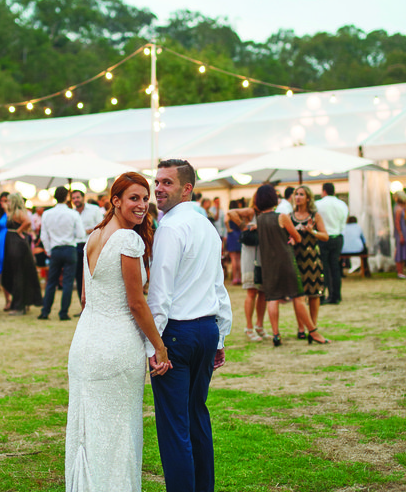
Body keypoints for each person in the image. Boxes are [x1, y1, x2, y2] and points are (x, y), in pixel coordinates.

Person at [66, 172, 171, 491]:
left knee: (89, 430)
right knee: (118, 432)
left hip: (86, 342)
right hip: (116, 347)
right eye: (133, 198)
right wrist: (160, 347)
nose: (142, 205)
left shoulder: (94, 236)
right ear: (115, 201)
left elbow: (86, 298)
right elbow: (137, 302)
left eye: (144, 198)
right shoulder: (127, 239)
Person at [147, 159, 232, 492]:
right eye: (157, 182)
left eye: (167, 183)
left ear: (187, 188)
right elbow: (218, 286)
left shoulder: (170, 227)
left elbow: (160, 292)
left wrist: (153, 345)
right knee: (196, 415)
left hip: (178, 334)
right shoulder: (206, 226)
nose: (158, 189)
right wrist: (220, 335)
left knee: (174, 427)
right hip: (205, 330)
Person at [255, 184, 330, 347]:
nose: (297, 197)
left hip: (268, 263)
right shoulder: (282, 216)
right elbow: (297, 237)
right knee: (298, 296)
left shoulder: (259, 219)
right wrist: (293, 237)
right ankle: (313, 331)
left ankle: (276, 335)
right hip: (287, 260)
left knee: (273, 298)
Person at [227, 200, 270, 342]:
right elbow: (231, 213)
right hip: (251, 255)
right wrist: (244, 226)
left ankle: (259, 326)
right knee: (252, 291)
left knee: (263, 292)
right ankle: (249, 327)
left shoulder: (268, 214)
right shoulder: (251, 211)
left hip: (264, 255)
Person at [38, 186, 84, 321]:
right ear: (67, 197)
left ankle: (45, 311)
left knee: (51, 282)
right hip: (70, 249)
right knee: (68, 282)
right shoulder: (73, 214)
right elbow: (81, 234)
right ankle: (63, 312)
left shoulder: (47, 214)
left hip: (55, 249)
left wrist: (48, 250)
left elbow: (43, 235)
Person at [291, 186, 329, 337]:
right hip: (295, 258)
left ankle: (313, 326)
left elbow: (325, 236)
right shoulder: (290, 216)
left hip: (312, 258)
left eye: (301, 194)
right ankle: (301, 328)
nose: (298, 197)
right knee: (298, 295)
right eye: (296, 194)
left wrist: (312, 232)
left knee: (314, 294)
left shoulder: (314, 216)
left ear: (308, 198)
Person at [1, 193, 43, 315]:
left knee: (18, 274)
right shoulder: (14, 212)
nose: (7, 203)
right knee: (16, 273)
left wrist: (19, 230)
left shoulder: (18, 213)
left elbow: (28, 222)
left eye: (9, 201)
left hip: (16, 244)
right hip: (13, 243)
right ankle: (21, 302)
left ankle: (19, 305)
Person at [316, 182, 348, 305]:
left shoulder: (319, 204)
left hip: (323, 237)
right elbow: (343, 222)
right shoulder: (342, 204)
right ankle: (336, 295)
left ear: (323, 191)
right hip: (338, 237)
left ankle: (322, 295)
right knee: (335, 267)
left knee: (323, 267)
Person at [70, 189, 102, 305]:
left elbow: (101, 225)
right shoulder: (71, 213)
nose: (76, 200)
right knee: (79, 277)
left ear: (83, 197)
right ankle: (83, 305)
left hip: (91, 245)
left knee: (94, 275)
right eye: (73, 198)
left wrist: (88, 231)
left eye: (77, 197)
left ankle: (96, 304)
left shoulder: (94, 210)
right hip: (76, 246)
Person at [0, 192, 11, 310]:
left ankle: (16, 299)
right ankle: (7, 300)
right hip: (0, 242)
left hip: (10, 241)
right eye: (1, 201)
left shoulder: (12, 213)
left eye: (5, 200)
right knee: (2, 272)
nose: (3, 203)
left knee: (12, 271)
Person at [393, 191, 406, 278]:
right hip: (402, 232)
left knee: (405, 251)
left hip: (404, 232)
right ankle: (401, 272)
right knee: (401, 252)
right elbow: (397, 222)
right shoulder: (399, 209)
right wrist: (401, 235)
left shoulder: (401, 208)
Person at [225, 199, 242, 285]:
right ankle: (240, 277)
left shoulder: (229, 213)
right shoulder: (238, 213)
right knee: (239, 259)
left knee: (233, 259)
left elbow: (225, 221)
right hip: (239, 233)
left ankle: (235, 278)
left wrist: (228, 229)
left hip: (232, 235)